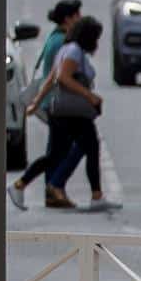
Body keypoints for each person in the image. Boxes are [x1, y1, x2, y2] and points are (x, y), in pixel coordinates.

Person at [8, 0, 83, 209]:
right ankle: (20, 184)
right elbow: (58, 76)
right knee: (67, 150)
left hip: (55, 104)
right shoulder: (61, 41)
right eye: (77, 15)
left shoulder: (57, 37)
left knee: (58, 150)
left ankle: (52, 191)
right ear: (68, 18)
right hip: (58, 105)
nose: (80, 19)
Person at [44, 16, 116, 212]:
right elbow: (63, 78)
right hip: (74, 110)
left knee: (84, 147)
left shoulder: (68, 49)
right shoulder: (74, 51)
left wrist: (36, 102)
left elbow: (53, 77)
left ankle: (83, 190)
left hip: (67, 109)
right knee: (87, 146)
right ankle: (60, 185)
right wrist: (90, 96)